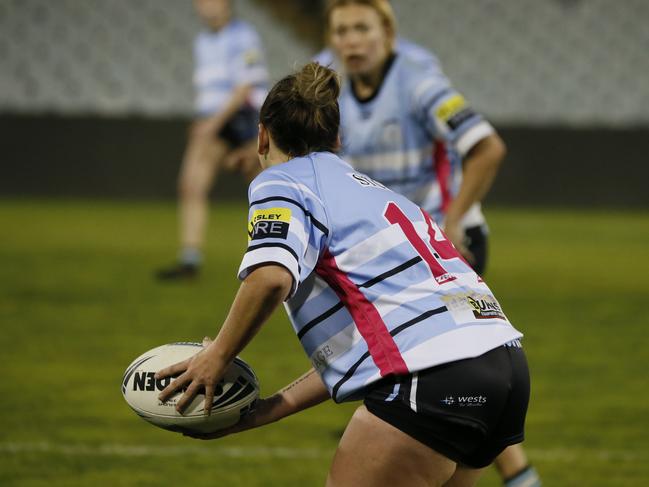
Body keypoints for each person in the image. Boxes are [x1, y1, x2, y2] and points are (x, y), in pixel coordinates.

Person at [156, 62, 530, 487]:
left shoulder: (282, 181)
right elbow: (377, 342)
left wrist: (217, 355)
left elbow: (270, 278)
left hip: (432, 375)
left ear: (262, 135)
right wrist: (263, 410)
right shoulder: (375, 194)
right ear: (336, 139)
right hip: (505, 369)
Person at [319, 2, 541, 484]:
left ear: (388, 34)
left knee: (453, 364)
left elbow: (487, 146)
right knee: (439, 373)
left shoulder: (418, 79)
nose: (351, 40)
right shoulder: (328, 80)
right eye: (342, 31)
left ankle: (518, 474)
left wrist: (454, 221)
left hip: (445, 248)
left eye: (362, 28)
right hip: (393, 253)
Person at [156, 0, 269, 280]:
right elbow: (208, 89)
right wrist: (204, 119)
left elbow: (245, 87)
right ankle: (190, 260)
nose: (205, 5)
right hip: (213, 119)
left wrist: (212, 124)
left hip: (242, 116)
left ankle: (273, 254)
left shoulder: (244, 36)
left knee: (264, 188)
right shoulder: (202, 42)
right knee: (191, 185)